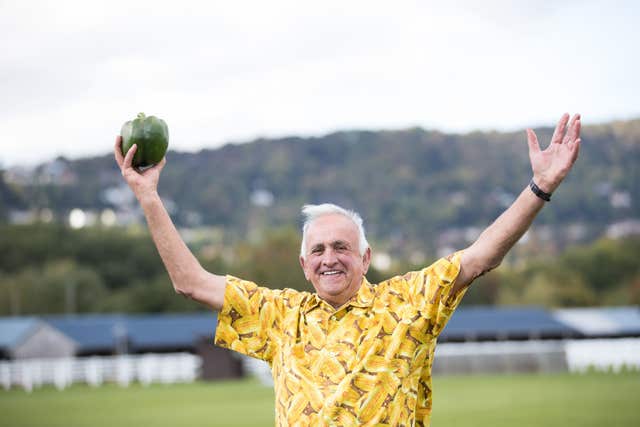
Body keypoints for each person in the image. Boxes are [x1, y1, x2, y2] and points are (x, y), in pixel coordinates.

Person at [114, 113, 581, 426]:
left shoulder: (407, 302)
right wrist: (148, 198)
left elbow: (481, 256)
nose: (329, 257)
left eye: (341, 247)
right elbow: (190, 282)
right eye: (317, 250)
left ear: (365, 258)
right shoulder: (281, 316)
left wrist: (539, 187)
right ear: (304, 265)